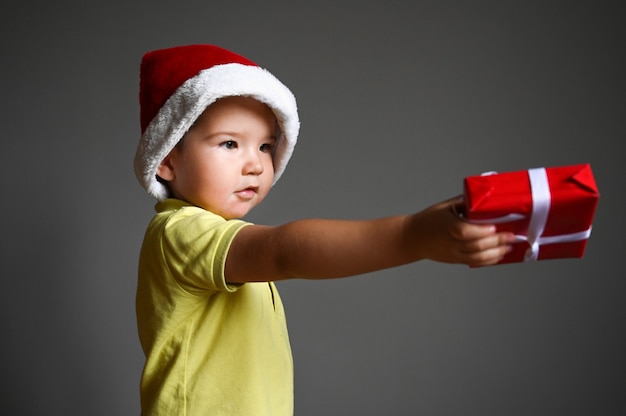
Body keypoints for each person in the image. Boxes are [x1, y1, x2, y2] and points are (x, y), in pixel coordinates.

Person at [133, 44, 514, 415]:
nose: (255, 164)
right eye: (230, 143)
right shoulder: (179, 233)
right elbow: (284, 252)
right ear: (166, 160)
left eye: (266, 146)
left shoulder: (218, 238)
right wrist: (411, 235)